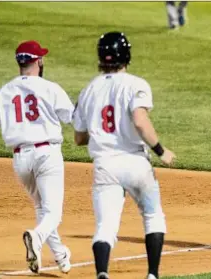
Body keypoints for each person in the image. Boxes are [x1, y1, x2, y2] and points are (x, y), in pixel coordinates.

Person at [72, 31, 176, 279]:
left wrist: (98, 133)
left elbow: (78, 138)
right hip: (135, 162)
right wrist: (161, 151)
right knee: (153, 216)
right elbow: (140, 120)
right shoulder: (135, 84)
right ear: (126, 54)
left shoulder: (89, 90)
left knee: (105, 225)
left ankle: (102, 272)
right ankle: (152, 274)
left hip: (104, 164)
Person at [0, 40, 74, 273]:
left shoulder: (1, 93)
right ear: (39, 61)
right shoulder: (50, 88)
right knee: (53, 212)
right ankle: (36, 237)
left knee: (42, 208)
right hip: (47, 154)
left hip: (20, 160)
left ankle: (61, 256)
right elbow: (74, 119)